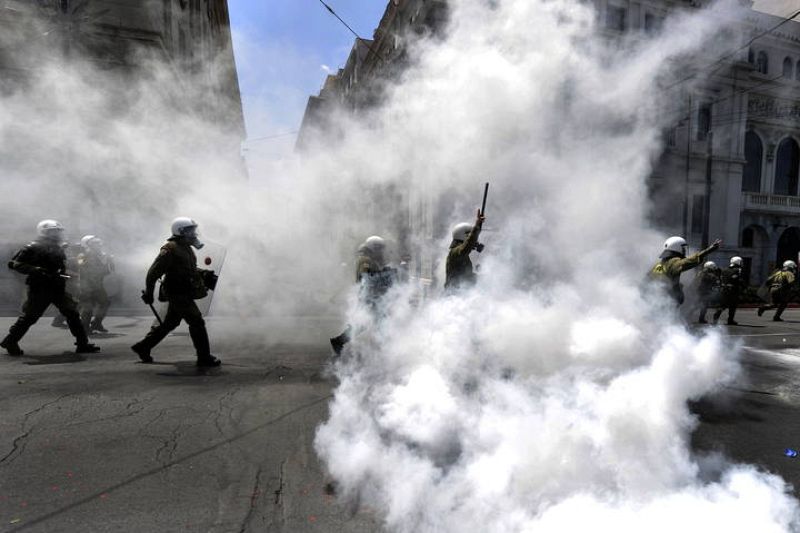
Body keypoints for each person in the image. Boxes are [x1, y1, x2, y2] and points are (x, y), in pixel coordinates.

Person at [0, 220, 100, 356]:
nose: (57, 234)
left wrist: (65, 273)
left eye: (58, 231)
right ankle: (10, 341)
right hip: (40, 287)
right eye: (54, 231)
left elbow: (60, 265)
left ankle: (82, 344)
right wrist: (36, 269)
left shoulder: (57, 247)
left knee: (72, 313)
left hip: (56, 286)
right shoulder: (33, 247)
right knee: (30, 317)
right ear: (44, 232)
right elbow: (15, 263)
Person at [131, 217, 220, 367]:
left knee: (169, 323)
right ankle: (204, 357)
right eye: (190, 230)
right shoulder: (170, 249)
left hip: (184, 291)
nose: (194, 233)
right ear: (180, 231)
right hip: (177, 293)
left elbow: (187, 268)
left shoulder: (186, 248)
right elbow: (153, 273)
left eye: (194, 229)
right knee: (197, 322)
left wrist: (203, 273)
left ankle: (143, 347)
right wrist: (149, 293)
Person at [330, 235, 396, 355]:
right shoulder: (365, 260)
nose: (381, 251)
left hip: (371, 296)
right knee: (377, 321)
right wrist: (385, 273)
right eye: (379, 248)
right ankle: (384, 348)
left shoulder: (368, 259)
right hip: (369, 296)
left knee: (367, 323)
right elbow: (367, 278)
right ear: (373, 247)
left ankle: (339, 341)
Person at [648, 236, 721, 306]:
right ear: (677, 248)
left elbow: (647, 279)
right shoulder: (674, 261)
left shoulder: (659, 264)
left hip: (654, 298)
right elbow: (689, 261)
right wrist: (709, 250)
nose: (684, 251)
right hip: (667, 300)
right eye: (683, 248)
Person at [77, 235, 114, 334]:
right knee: (88, 307)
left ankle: (96, 323)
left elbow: (107, 272)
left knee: (105, 302)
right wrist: (102, 261)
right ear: (88, 245)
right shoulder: (82, 255)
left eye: (98, 243)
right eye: (95, 243)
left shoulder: (101, 255)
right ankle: (84, 328)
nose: (99, 245)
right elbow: (82, 268)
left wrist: (108, 262)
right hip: (86, 285)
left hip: (97, 285)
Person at [445, 209, 485, 291]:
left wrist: (484, 278)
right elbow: (467, 246)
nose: (476, 242)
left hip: (461, 294)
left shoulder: (462, 256)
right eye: (469, 235)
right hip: (454, 296)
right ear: (464, 236)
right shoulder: (455, 252)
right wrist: (476, 227)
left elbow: (466, 277)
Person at [713, 256, 745, 325]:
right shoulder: (738, 270)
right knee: (733, 306)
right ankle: (730, 320)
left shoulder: (724, 270)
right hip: (733, 291)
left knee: (722, 305)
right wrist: (744, 287)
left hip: (724, 290)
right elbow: (738, 280)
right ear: (738, 262)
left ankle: (716, 317)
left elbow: (721, 279)